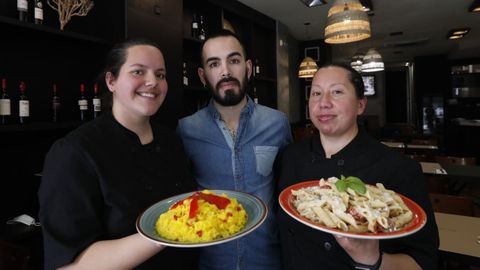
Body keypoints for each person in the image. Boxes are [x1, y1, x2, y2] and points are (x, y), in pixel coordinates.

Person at [38, 38, 197, 269]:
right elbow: (68, 265)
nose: (153, 81)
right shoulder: (74, 152)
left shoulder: (172, 140)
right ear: (111, 81)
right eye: (138, 71)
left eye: (160, 75)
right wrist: (167, 232)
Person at [277, 64, 439, 270]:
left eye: (336, 92)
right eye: (316, 93)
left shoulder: (398, 169)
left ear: (360, 105)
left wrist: (373, 259)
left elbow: (423, 263)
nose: (323, 102)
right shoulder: (290, 157)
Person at [177, 30, 292, 270]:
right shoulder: (186, 129)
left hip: (268, 259)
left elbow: (287, 188)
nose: (226, 71)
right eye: (214, 64)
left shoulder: (277, 123)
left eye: (234, 60)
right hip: (211, 260)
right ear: (202, 75)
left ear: (248, 68)